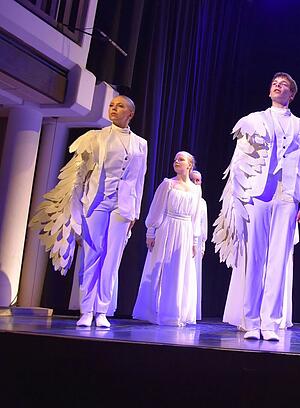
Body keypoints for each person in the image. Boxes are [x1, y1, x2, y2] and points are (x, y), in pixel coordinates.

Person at [29, 95, 148, 328]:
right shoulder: (96, 137)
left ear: (130, 114)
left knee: (112, 259)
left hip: (122, 206)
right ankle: (86, 310)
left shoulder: (141, 144)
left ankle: (102, 310)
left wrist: (135, 211)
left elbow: (139, 180)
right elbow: (80, 175)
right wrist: (75, 206)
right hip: (96, 203)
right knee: (92, 255)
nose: (114, 109)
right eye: (112, 106)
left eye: (120, 106)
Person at [213, 72, 300, 342]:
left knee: (279, 259)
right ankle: (251, 320)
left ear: (292, 94)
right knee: (254, 257)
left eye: (285, 86)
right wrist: (237, 194)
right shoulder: (254, 119)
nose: (278, 87)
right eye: (275, 84)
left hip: (288, 195)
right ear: (270, 91)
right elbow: (239, 159)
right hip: (258, 193)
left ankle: (270, 322)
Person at [133, 151, 202, 326]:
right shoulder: (168, 184)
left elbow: (195, 217)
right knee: (162, 269)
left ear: (189, 165)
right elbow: (157, 208)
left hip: (185, 231)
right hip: (168, 228)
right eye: (175, 159)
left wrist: (195, 241)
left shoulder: (196, 190)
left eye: (181, 159)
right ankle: (158, 311)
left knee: (180, 271)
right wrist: (151, 232)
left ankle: (175, 312)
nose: (177, 161)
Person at [190, 169, 208, 320]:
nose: (196, 183)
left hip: (197, 240)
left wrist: (202, 245)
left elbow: (203, 226)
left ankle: (190, 311)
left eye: (198, 180)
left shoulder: (202, 203)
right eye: (193, 180)